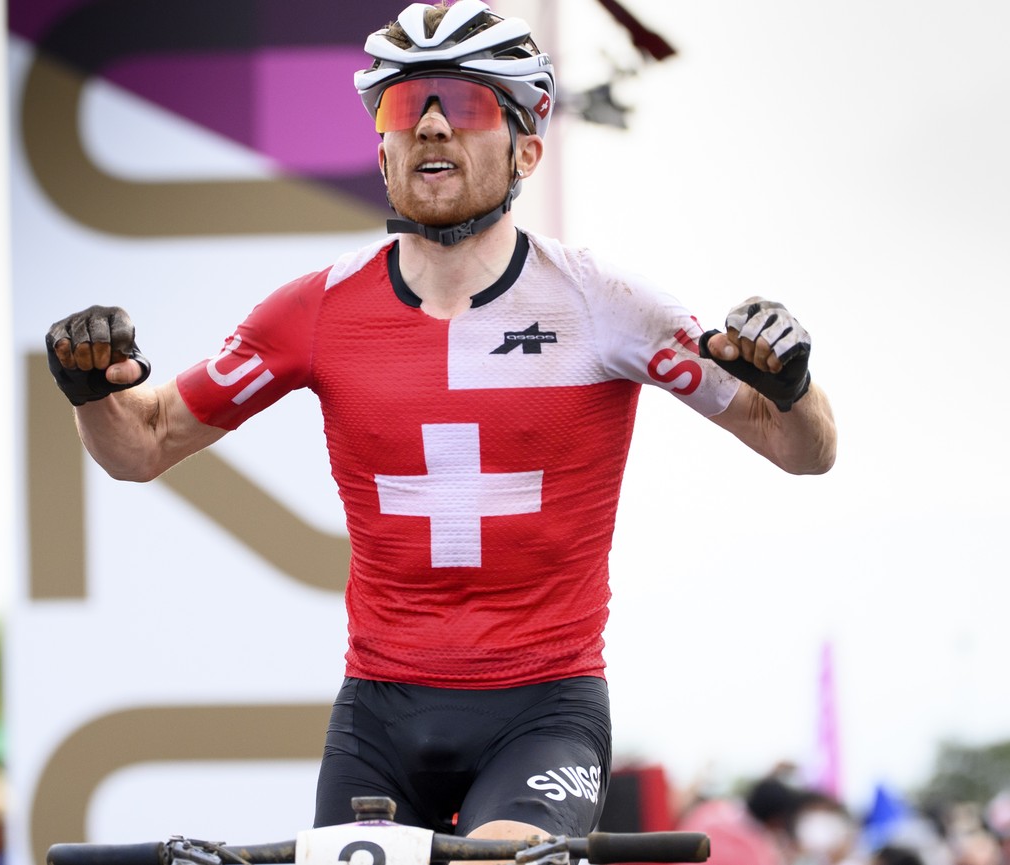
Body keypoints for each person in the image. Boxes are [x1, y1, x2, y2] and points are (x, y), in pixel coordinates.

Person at [44, 0, 837, 847]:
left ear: (527, 146)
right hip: (381, 715)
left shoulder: (605, 304)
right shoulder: (313, 311)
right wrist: (90, 388)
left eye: (463, 104)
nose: (427, 126)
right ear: (379, 147)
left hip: (544, 706)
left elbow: (803, 450)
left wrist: (792, 386)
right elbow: (141, 444)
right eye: (401, 106)